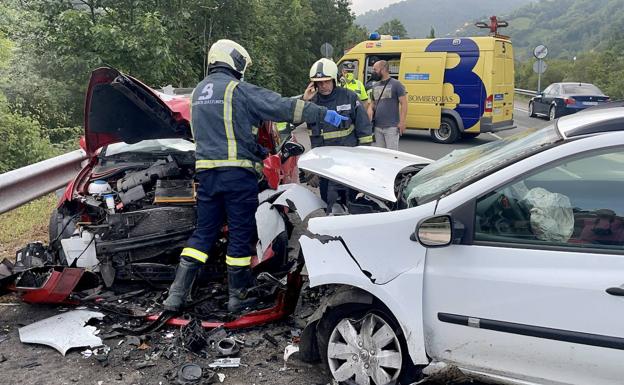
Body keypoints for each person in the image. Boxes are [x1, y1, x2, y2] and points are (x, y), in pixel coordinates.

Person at [163, 39, 348, 314]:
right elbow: (284, 108)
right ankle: (237, 298)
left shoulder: (199, 93)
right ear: (233, 61)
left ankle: (176, 296)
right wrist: (323, 113)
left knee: (202, 235)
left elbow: (215, 133)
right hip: (236, 176)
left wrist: (255, 147)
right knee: (240, 235)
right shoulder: (237, 90)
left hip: (206, 176)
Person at [303, 58, 373, 210]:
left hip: (348, 162)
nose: (323, 86)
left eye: (327, 81)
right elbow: (294, 122)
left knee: (347, 202)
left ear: (334, 79)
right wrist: (305, 102)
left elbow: (364, 130)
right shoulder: (311, 102)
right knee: (327, 203)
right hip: (324, 165)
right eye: (319, 83)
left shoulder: (349, 97)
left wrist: (364, 162)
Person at [367, 60, 408, 150]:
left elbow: (404, 103)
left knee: (392, 155)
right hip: (377, 127)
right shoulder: (375, 86)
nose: (373, 72)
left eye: (375, 69)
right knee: (381, 155)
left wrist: (402, 122)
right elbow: (373, 103)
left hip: (391, 127)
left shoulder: (396, 84)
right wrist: (370, 109)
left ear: (383, 69)